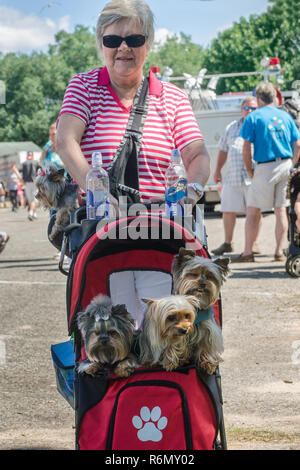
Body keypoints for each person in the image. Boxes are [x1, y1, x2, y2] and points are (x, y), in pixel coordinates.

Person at [56, 0, 210, 326]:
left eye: (134, 40)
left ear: (148, 44)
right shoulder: (83, 86)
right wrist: (96, 187)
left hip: (161, 232)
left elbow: (196, 154)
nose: (123, 48)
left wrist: (190, 191)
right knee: (112, 329)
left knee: (162, 328)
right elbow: (66, 141)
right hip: (104, 230)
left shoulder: (172, 96)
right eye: (113, 40)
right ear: (101, 44)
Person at [233, 82, 300, 263]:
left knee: (253, 210)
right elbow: (298, 144)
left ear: (259, 98)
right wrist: (291, 164)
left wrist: (249, 170)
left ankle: (247, 252)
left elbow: (246, 148)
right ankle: (279, 251)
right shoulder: (285, 116)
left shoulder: (254, 117)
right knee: (281, 210)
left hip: (264, 166)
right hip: (285, 164)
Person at [212, 96, 262, 256]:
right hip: (232, 176)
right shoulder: (232, 127)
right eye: (247, 108)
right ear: (241, 110)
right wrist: (218, 169)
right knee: (227, 210)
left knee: (254, 211)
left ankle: (253, 244)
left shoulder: (261, 126)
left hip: (252, 176)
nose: (250, 111)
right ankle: (228, 243)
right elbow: (223, 150)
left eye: (253, 108)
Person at [21, 152, 41, 221]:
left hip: (27, 182)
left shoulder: (24, 163)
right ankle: (32, 213)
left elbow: (22, 173)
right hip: (34, 181)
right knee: (33, 199)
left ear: (27, 156)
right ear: (32, 156)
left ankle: (33, 213)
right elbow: (41, 170)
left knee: (30, 199)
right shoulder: (36, 162)